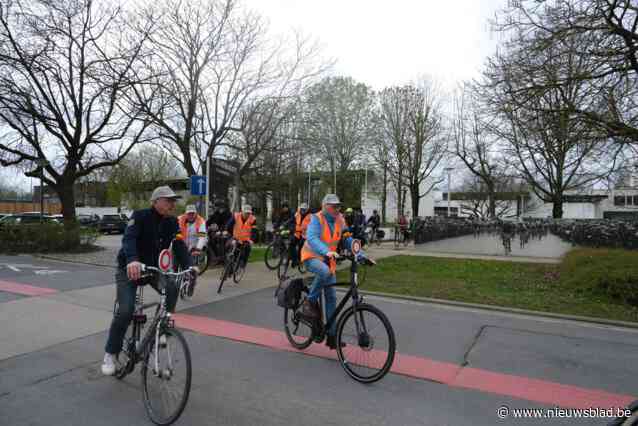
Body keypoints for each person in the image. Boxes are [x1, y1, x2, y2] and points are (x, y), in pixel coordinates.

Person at [102, 186, 195, 376]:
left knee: (171, 286)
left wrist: (190, 265)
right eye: (168, 200)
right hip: (129, 269)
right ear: (156, 201)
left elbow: (178, 244)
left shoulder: (171, 222)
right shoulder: (140, 216)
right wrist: (132, 260)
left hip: (152, 269)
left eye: (173, 201)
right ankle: (110, 353)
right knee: (126, 310)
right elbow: (129, 238)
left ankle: (163, 326)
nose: (172, 204)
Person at [300, 194, 358, 350]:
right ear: (324, 206)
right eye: (333, 206)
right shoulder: (316, 218)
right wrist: (326, 251)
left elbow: (347, 238)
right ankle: (310, 301)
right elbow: (311, 238)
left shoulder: (340, 219)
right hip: (311, 257)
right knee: (324, 272)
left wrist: (360, 253)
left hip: (328, 260)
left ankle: (332, 337)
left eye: (338, 206)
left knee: (331, 297)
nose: (336, 209)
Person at [178, 205, 207, 295]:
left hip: (195, 246)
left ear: (195, 213)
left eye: (192, 213)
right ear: (186, 214)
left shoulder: (201, 221)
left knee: (193, 268)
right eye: (188, 213)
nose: (190, 215)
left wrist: (198, 249)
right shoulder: (179, 219)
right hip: (182, 245)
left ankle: (192, 284)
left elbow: (202, 237)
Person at [291, 203, 311, 267]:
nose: (302, 211)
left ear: (307, 210)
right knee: (291, 244)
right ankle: (294, 260)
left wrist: (302, 229)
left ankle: (300, 260)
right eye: (302, 209)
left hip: (305, 235)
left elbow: (309, 226)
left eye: (304, 210)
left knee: (300, 246)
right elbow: (292, 220)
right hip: (297, 233)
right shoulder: (297, 214)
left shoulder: (310, 216)